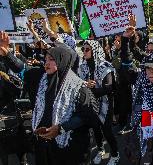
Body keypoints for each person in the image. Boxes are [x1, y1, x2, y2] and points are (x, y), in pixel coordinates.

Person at [0, 32, 91, 165]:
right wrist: (6, 53)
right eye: (46, 59)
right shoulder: (40, 78)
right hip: (43, 145)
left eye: (51, 59)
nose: (46, 63)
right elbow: (22, 68)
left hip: (69, 147)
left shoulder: (79, 87)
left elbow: (85, 115)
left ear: (62, 60)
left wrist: (60, 128)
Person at [79, 40, 119, 165]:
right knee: (95, 129)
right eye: (83, 49)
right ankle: (101, 150)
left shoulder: (105, 65)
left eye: (87, 49)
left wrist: (91, 90)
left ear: (94, 50)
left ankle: (115, 154)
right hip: (90, 104)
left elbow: (109, 87)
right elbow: (79, 84)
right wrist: (85, 85)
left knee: (106, 131)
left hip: (105, 103)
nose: (84, 52)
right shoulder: (83, 66)